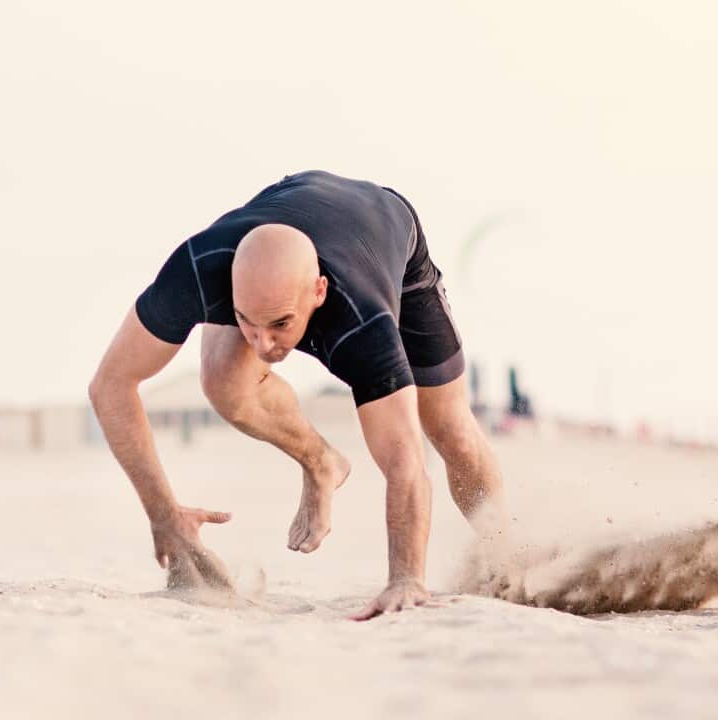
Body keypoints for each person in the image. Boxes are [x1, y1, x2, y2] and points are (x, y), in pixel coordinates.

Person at [88, 170, 504, 619]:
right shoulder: (195, 271)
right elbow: (110, 386)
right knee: (224, 382)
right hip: (285, 210)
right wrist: (164, 515)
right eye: (247, 321)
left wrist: (405, 579)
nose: (264, 345)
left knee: (449, 428)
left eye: (280, 325)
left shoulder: (363, 321)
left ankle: (508, 553)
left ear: (317, 292)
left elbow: (405, 460)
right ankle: (320, 462)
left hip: (386, 229)